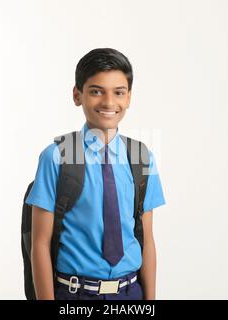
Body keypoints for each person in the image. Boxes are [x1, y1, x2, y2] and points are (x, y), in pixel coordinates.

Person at [26, 48, 166, 300]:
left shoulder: (141, 157)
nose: (109, 102)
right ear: (77, 95)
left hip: (129, 293)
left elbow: (147, 238)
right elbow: (40, 244)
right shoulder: (57, 157)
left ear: (129, 98)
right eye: (96, 91)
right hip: (74, 294)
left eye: (119, 92)